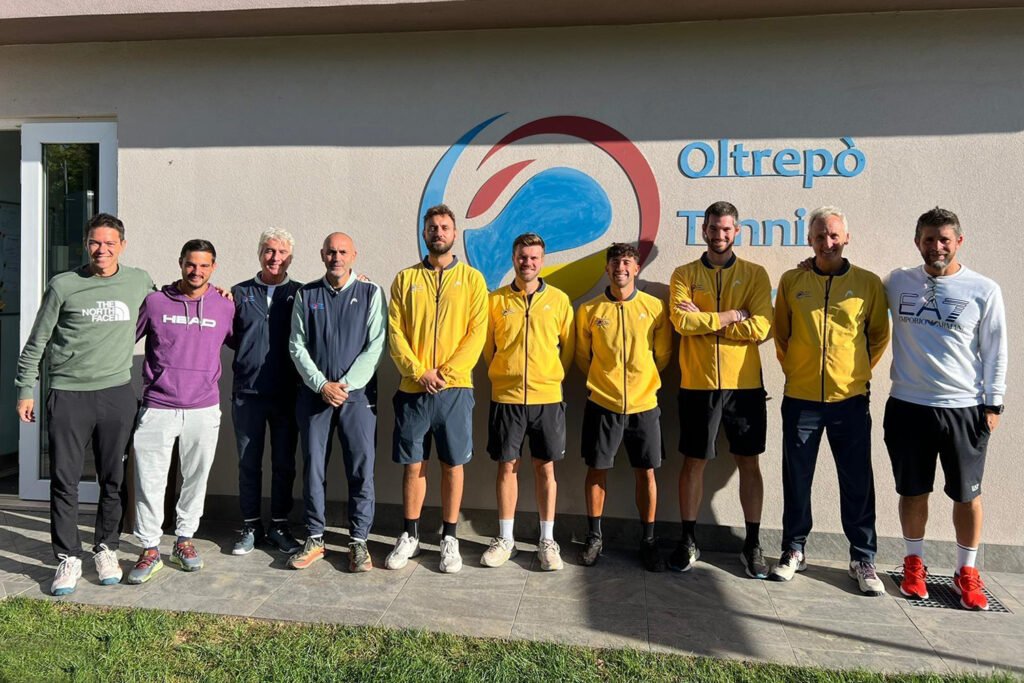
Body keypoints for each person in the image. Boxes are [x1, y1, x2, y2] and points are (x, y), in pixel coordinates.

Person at [15, 213, 154, 595]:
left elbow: (169, 302)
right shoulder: (63, 285)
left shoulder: (138, 280)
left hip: (117, 393)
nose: (102, 249)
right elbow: (37, 342)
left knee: (113, 479)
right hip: (69, 394)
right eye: (95, 242)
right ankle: (68, 556)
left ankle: (106, 548)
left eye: (110, 243)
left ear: (122, 245)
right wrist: (25, 388)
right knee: (65, 479)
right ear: (86, 244)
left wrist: (216, 294)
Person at [883, 207, 1006, 610]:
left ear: (958, 243)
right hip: (908, 406)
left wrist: (994, 403)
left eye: (945, 240)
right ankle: (914, 564)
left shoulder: (983, 289)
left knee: (967, 496)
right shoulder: (897, 282)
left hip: (964, 408)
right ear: (917, 241)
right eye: (929, 239)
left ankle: (965, 572)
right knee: (913, 492)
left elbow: (995, 350)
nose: (937, 246)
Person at [771, 206, 890, 595]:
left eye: (834, 235)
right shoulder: (792, 281)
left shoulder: (868, 284)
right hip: (801, 399)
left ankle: (862, 557)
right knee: (797, 478)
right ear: (810, 240)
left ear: (846, 238)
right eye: (820, 236)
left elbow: (877, 337)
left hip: (850, 401)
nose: (827, 242)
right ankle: (793, 549)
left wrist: (852, 375)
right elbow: (782, 336)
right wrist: (799, 371)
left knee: (857, 480)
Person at [668, 201, 773, 578]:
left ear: (737, 232)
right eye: (714, 228)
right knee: (693, 462)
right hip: (698, 384)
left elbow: (761, 327)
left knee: (749, 463)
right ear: (704, 230)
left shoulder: (755, 274)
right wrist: (731, 315)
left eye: (726, 229)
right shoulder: (683, 273)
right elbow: (681, 322)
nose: (719, 234)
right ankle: (688, 539)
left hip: (744, 386)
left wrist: (706, 320)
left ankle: (753, 543)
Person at [385, 204, 487, 573]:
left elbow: (477, 333)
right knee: (414, 465)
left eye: (444, 227)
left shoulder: (473, 280)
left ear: (454, 234)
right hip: (414, 389)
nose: (438, 232)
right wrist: (418, 371)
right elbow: (394, 333)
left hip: (454, 389)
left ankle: (449, 538)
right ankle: (410, 535)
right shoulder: (405, 279)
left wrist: (445, 372)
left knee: (453, 465)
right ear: (424, 233)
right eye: (432, 227)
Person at [127, 239, 234, 584]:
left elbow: (244, 341)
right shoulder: (156, 302)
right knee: (149, 479)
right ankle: (149, 547)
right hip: (158, 406)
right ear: (180, 263)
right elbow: (122, 338)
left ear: (213, 267)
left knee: (196, 477)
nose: (197, 271)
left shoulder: (224, 305)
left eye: (204, 265)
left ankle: (185, 540)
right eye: (191, 264)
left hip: (204, 407)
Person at [287, 232, 386, 572]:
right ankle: (315, 537)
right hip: (316, 397)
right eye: (331, 252)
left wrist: (344, 386)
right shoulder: (307, 294)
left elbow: (375, 346)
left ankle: (358, 542)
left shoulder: (371, 292)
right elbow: (296, 345)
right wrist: (321, 385)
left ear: (354, 255)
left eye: (343, 252)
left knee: (361, 469)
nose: (336, 258)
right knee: (313, 468)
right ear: (321, 255)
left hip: (357, 399)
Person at [575, 242, 672, 572]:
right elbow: (581, 357)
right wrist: (606, 383)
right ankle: (594, 537)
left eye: (628, 262)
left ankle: (648, 540)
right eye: (615, 262)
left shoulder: (654, 307)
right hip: (603, 403)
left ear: (637, 268)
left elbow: (663, 356)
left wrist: (643, 384)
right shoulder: (589, 311)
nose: (621, 268)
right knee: (597, 469)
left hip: (645, 405)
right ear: (607, 268)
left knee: (646, 472)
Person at [481, 233, 574, 571]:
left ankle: (547, 541)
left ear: (542, 260)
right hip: (506, 398)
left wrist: (549, 377)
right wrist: (502, 374)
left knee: (545, 467)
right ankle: (506, 538)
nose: (528, 262)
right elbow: (488, 348)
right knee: (507, 466)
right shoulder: (496, 301)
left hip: (547, 398)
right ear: (513, 257)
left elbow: (570, 348)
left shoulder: (560, 301)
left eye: (534, 257)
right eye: (523, 256)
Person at [229, 228, 303, 556]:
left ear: (290, 257)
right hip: (248, 393)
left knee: (284, 463)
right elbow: (229, 334)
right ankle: (250, 524)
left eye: (282, 252)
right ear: (259, 253)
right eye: (269, 251)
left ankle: (280, 525)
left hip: (287, 393)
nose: (275, 258)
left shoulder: (302, 293)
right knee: (248, 462)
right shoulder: (238, 293)